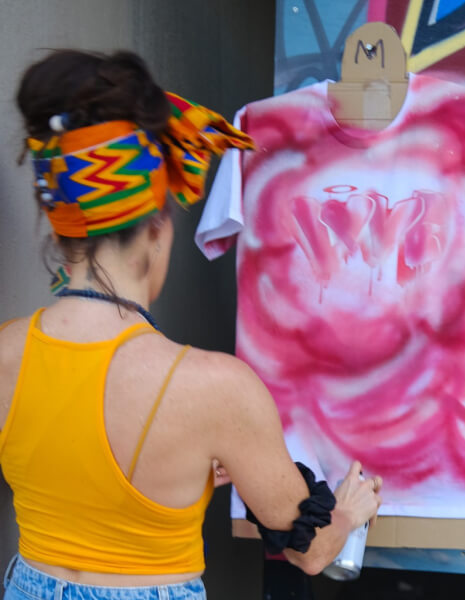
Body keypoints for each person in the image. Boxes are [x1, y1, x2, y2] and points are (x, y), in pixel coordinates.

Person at [0, 49, 382, 600]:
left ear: (60, 227)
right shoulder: (216, 389)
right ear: (157, 227)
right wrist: (348, 511)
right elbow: (311, 551)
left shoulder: (8, 349)